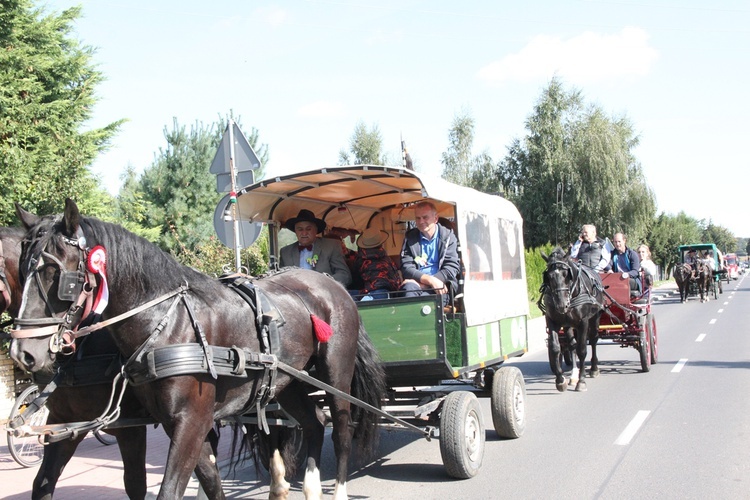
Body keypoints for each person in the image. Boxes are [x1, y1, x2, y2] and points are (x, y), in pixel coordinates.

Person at [399, 201, 461, 305]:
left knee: (426, 303)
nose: (421, 221)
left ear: (435, 218)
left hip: (441, 284)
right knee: (408, 290)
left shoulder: (449, 237)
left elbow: (451, 268)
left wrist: (429, 283)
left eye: (425, 217)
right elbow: (406, 267)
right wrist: (429, 281)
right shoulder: (410, 237)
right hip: (416, 284)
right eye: (418, 218)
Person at [279, 209, 352, 286]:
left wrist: (322, 283)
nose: (304, 233)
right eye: (300, 229)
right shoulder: (285, 252)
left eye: (308, 229)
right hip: (295, 295)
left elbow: (345, 275)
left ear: (316, 230)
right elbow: (280, 279)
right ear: (295, 231)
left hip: (324, 294)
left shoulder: (331, 246)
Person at [353, 227, 401, 300]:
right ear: (380, 243)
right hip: (388, 292)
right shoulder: (386, 257)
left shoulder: (360, 259)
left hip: (371, 291)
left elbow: (356, 281)